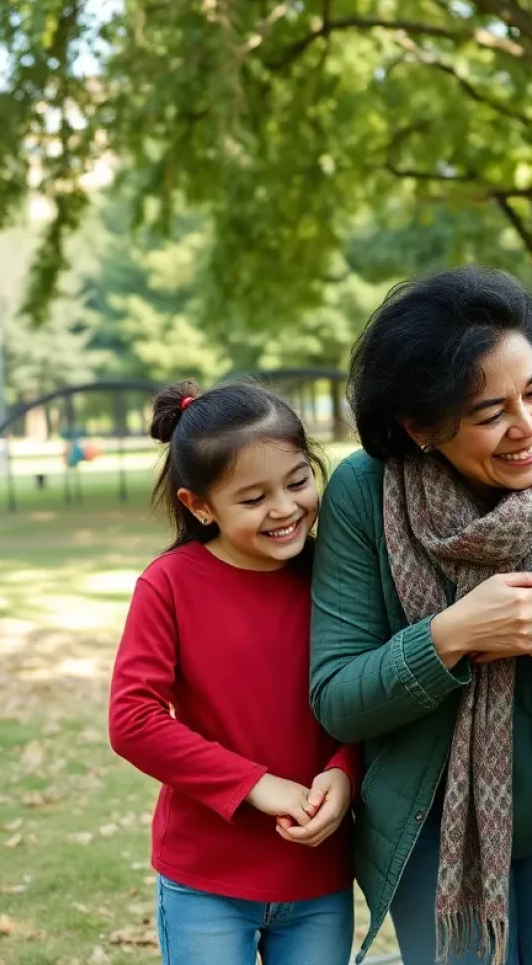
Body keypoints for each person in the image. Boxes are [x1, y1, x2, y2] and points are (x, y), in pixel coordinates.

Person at [309, 266, 532, 965]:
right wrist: (450, 635)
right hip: (431, 829)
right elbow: (337, 698)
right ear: (419, 426)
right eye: (489, 414)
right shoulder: (364, 494)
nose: (527, 428)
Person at [109, 380, 359, 965]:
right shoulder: (168, 585)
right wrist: (255, 785)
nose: (284, 508)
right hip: (207, 878)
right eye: (252, 499)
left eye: (298, 481)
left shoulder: (336, 575)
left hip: (318, 871)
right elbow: (133, 721)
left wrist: (345, 771)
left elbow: (362, 688)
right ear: (199, 506)